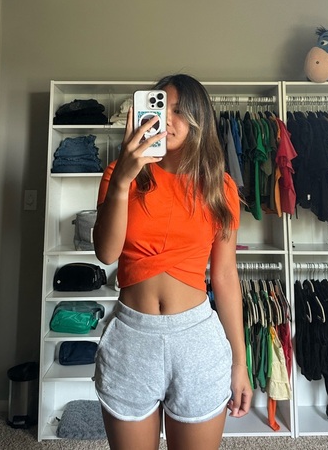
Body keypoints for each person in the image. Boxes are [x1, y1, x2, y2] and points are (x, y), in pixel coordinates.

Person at [93, 74, 253, 450]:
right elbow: (106, 253)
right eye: (161, 107)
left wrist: (239, 363)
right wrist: (123, 180)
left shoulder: (220, 187)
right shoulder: (119, 174)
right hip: (131, 338)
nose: (167, 118)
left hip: (197, 339)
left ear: (198, 119)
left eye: (179, 110)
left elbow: (225, 276)